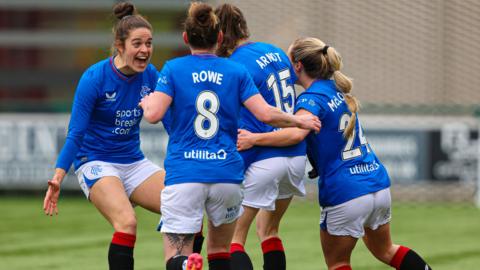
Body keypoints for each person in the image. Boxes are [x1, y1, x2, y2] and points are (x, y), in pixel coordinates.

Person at [139, 2, 321, 270]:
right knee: (222, 251)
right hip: (226, 176)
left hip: (186, 173)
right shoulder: (235, 71)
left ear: (186, 38)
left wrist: (146, 101)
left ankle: (187, 266)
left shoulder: (174, 69)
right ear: (219, 37)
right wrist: (298, 119)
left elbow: (153, 115)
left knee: (177, 255)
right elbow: (266, 114)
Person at [236, 37, 432, 270]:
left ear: (297, 66)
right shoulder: (335, 89)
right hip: (376, 184)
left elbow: (296, 135)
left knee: (338, 263)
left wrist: (254, 139)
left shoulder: (310, 99)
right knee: (386, 250)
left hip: (346, 192)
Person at [41, 2, 205, 269]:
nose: (145, 50)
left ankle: (184, 265)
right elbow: (76, 133)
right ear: (120, 46)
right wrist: (59, 176)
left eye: (149, 44)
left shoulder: (151, 75)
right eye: (137, 44)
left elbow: (173, 122)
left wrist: (194, 154)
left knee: (189, 210)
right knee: (127, 222)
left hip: (133, 162)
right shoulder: (94, 78)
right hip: (95, 161)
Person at [214, 4, 307, 270]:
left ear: (219, 35)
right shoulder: (275, 51)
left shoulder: (233, 65)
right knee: (269, 231)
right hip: (295, 156)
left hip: (263, 156)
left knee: (233, 239)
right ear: (243, 26)